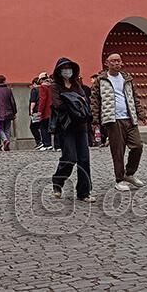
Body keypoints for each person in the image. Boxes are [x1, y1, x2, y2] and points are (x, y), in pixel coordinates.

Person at [91, 53, 146, 192]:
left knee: (137, 146)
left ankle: (129, 173)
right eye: (113, 61)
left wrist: (140, 113)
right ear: (107, 63)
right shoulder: (101, 80)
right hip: (113, 119)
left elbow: (134, 97)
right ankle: (119, 179)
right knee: (118, 151)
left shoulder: (127, 78)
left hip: (129, 118)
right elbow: (95, 100)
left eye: (119, 61)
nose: (116, 63)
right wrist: (95, 119)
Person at [49, 57, 95, 202]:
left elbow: (84, 101)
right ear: (59, 71)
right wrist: (74, 102)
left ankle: (84, 191)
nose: (67, 70)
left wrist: (70, 100)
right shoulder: (55, 87)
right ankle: (58, 180)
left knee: (84, 159)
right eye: (64, 68)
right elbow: (58, 105)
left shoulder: (76, 84)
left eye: (69, 68)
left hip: (80, 125)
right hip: (65, 126)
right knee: (70, 158)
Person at [0, 75, 17, 150]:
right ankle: (7, 145)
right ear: (4, 81)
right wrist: (14, 112)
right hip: (9, 112)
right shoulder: (8, 89)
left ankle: (5, 140)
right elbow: (12, 102)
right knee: (7, 129)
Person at [29, 77, 44, 150]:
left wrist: (31, 110)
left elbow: (33, 101)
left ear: (34, 83)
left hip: (36, 111)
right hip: (43, 110)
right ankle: (44, 141)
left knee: (33, 127)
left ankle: (39, 141)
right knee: (42, 126)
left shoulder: (35, 90)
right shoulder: (43, 88)